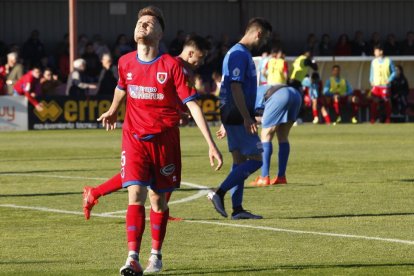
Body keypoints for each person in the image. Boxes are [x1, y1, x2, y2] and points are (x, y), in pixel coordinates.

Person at [95, 7, 222, 275]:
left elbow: (194, 106)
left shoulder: (171, 66)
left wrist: (210, 144)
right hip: (134, 139)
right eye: (140, 22)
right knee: (136, 195)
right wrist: (113, 109)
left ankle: (156, 254)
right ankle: (132, 258)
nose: (143, 25)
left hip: (165, 142)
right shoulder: (125, 62)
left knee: (158, 202)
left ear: (160, 34)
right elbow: (121, 87)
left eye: (149, 23)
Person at [83, 34, 213, 223]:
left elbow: (167, 100)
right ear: (191, 52)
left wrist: (178, 114)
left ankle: (98, 193)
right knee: (142, 174)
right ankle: (100, 194)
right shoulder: (171, 65)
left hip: (163, 130)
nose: (200, 62)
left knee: (147, 173)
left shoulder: (178, 67)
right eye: (200, 58)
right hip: (145, 131)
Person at [207, 17, 272, 220]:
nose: (264, 43)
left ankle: (237, 209)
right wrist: (246, 117)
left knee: (239, 162)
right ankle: (219, 193)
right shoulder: (238, 54)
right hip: (237, 113)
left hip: (232, 113)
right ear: (258, 33)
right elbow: (234, 87)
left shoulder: (240, 53)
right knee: (258, 159)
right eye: (265, 38)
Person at [249, 83, 302, 186]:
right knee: (283, 136)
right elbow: (261, 118)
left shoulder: (242, 100)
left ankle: (264, 177)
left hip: (278, 96)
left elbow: (250, 120)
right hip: (295, 94)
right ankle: (281, 177)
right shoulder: (251, 91)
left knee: (265, 136)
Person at [369, 44, 396, 123]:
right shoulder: (373, 61)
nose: (374, 53)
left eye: (376, 51)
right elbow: (372, 72)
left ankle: (388, 119)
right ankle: (373, 119)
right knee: (374, 101)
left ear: (381, 52)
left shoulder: (389, 61)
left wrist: (389, 79)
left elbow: (394, 72)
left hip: (385, 85)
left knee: (386, 101)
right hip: (376, 85)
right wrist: (371, 80)